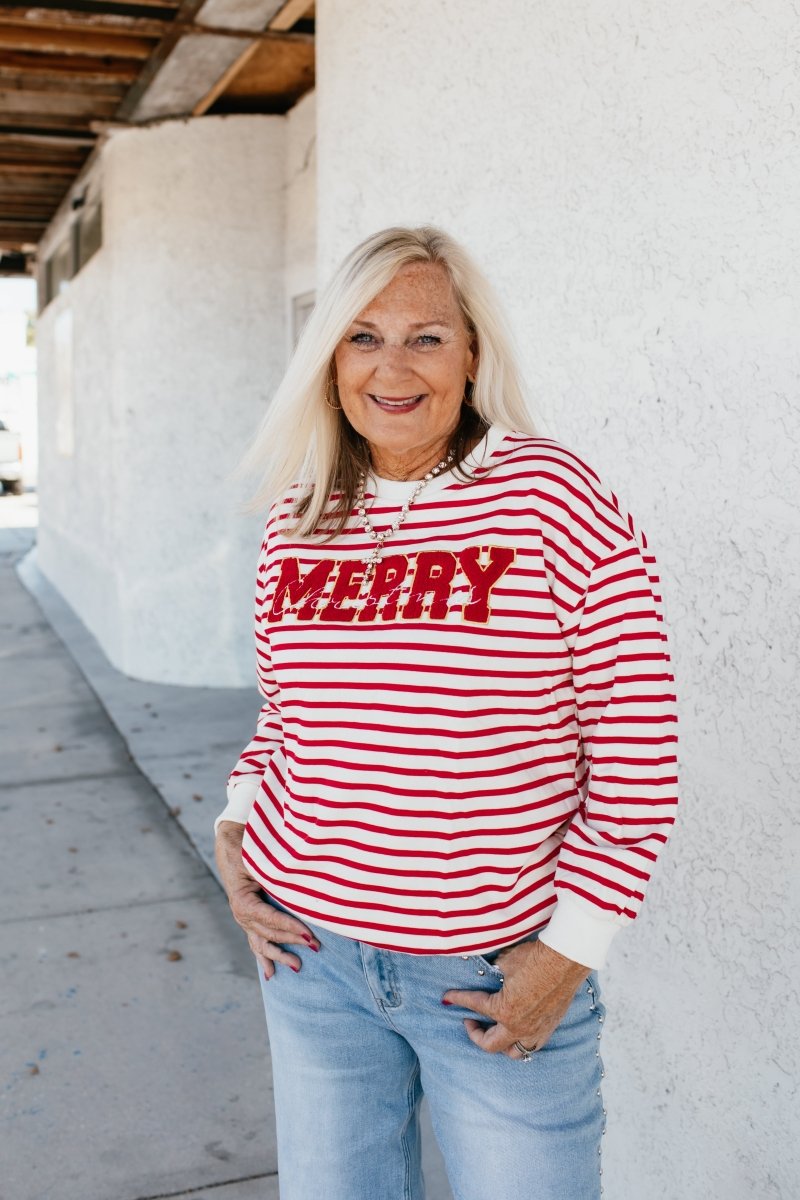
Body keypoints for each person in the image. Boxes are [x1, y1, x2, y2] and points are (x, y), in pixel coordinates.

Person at [214, 225, 678, 1200]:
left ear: (471, 353)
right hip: (311, 958)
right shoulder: (299, 512)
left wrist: (568, 952)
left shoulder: (552, 498)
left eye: (425, 337)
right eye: (360, 336)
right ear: (328, 357)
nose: (392, 367)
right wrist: (235, 823)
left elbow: (636, 753)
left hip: (488, 971)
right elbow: (285, 715)